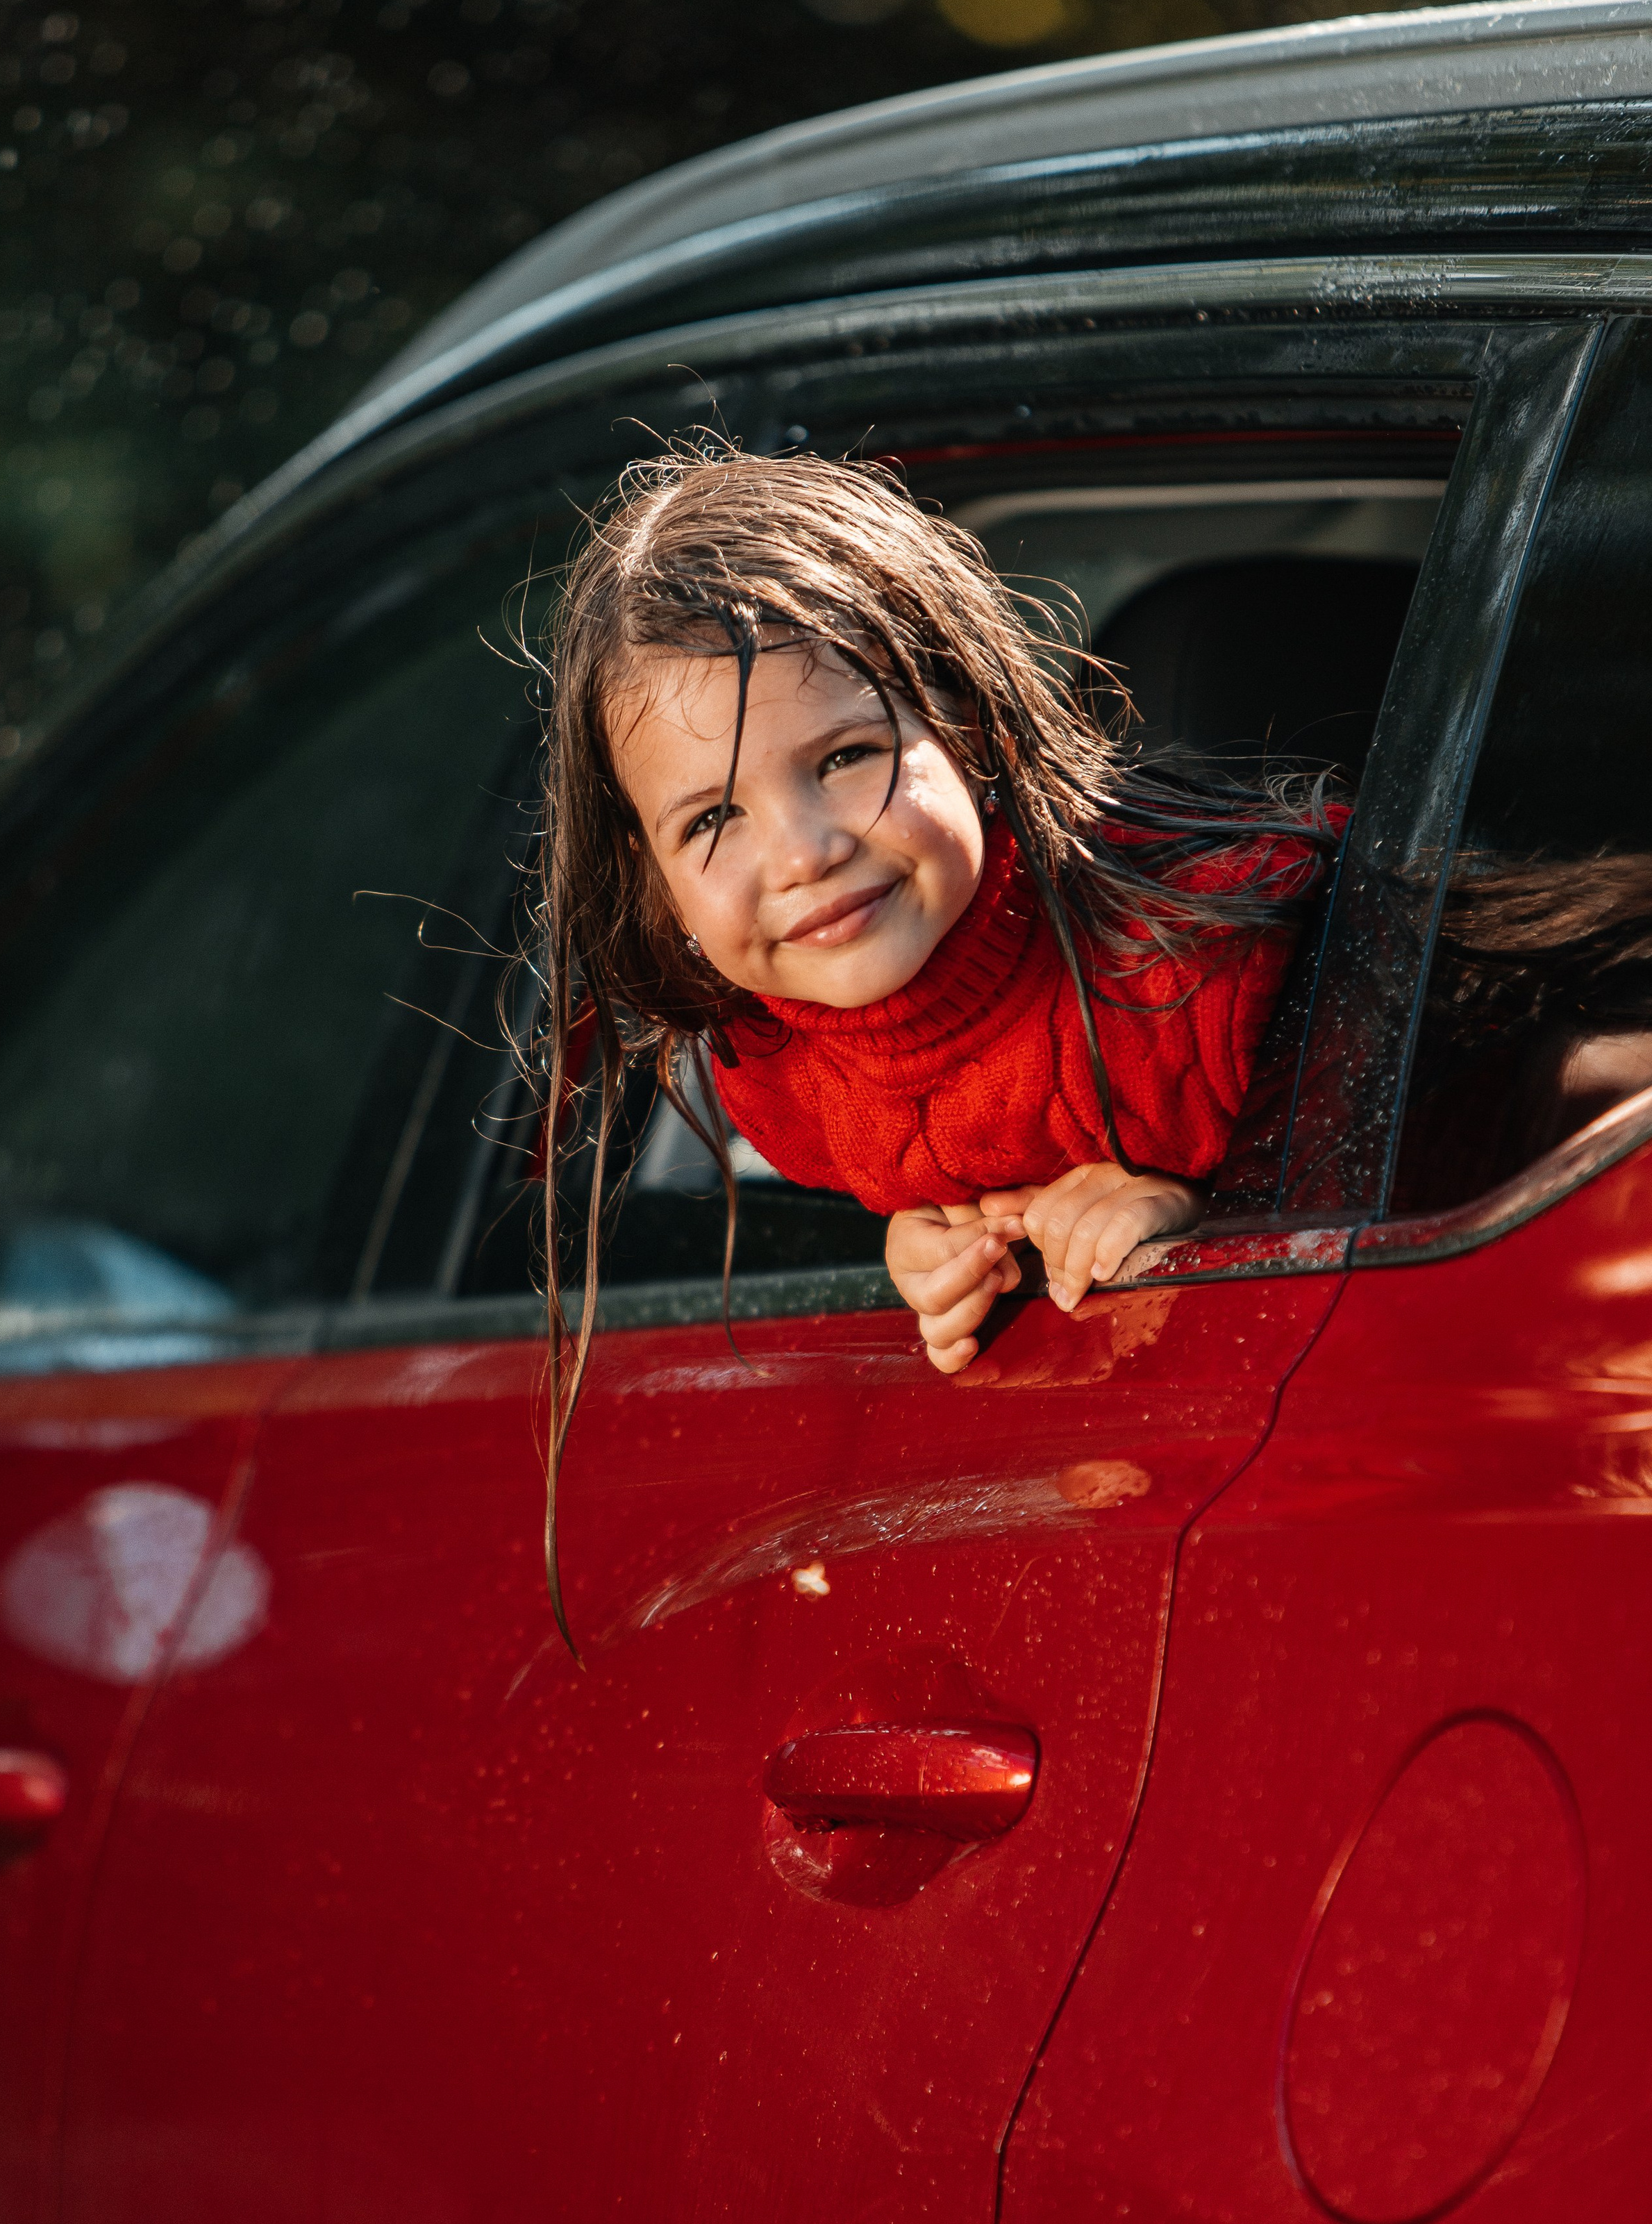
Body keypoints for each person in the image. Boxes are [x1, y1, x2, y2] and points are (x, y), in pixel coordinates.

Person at [535, 445, 1344, 1630]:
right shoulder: (790, 1084)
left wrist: (1209, 1212)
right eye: (713, 816)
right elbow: (953, 1126)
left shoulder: (1204, 958)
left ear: (962, 723)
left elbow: (1412, 1158)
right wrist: (943, 1239)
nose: (804, 851)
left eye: (847, 758)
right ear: (651, 884)